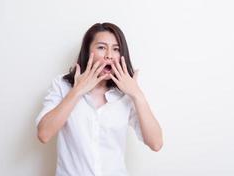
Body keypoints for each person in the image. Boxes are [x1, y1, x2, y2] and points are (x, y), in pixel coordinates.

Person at [35, 22, 163, 176]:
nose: (109, 55)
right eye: (101, 47)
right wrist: (77, 91)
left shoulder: (126, 94)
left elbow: (156, 143)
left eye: (116, 49)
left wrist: (137, 94)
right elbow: (44, 134)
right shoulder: (62, 85)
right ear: (88, 52)